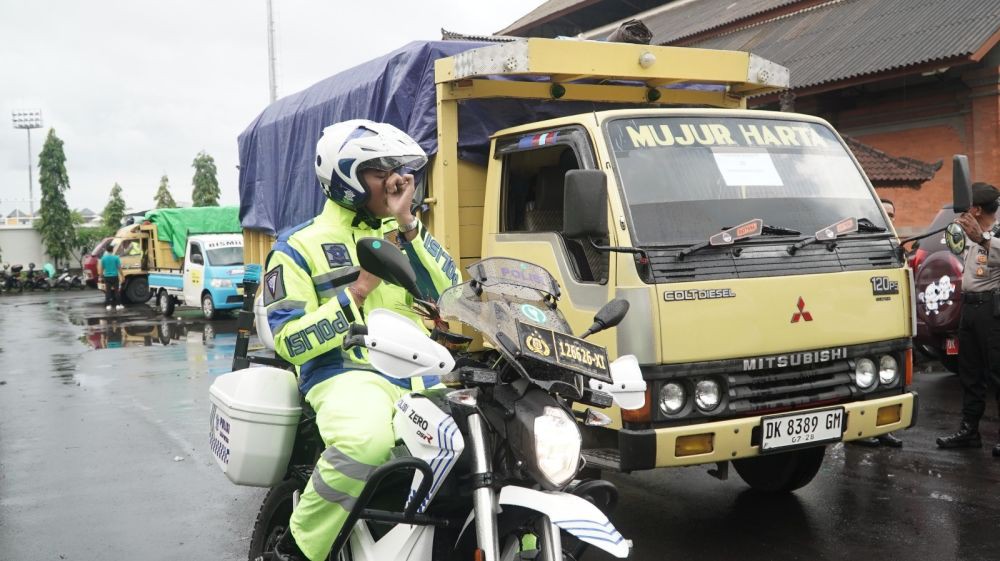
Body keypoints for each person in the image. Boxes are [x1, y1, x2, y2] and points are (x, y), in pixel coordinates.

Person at [262, 120, 459, 561]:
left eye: (399, 172)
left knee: (488, 442)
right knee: (364, 442)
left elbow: (451, 292)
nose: (394, 182)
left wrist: (409, 221)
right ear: (346, 178)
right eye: (379, 172)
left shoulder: (402, 234)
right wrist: (356, 293)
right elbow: (289, 342)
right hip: (343, 375)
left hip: (419, 378)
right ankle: (295, 550)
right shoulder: (297, 246)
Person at [936, 182, 1000, 456]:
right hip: (970, 309)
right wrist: (959, 232)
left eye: (966, 210)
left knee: (997, 375)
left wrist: (984, 239)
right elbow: (957, 248)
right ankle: (968, 431)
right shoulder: (971, 234)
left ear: (975, 209)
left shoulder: (994, 234)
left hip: (992, 310)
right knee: (970, 374)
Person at [851, 197, 904, 447]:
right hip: (861, 321)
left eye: (892, 216)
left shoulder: (894, 244)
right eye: (885, 214)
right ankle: (859, 431)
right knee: (863, 376)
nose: (889, 219)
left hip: (886, 321)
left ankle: (884, 429)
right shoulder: (859, 243)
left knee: (886, 376)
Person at [98, 245, 123, 311]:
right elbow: (119, 268)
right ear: (112, 250)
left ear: (106, 250)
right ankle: (118, 305)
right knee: (116, 291)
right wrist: (122, 276)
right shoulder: (116, 258)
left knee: (108, 291)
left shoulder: (103, 258)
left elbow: (101, 269)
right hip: (115, 276)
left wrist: (100, 277)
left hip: (107, 277)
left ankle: (108, 305)